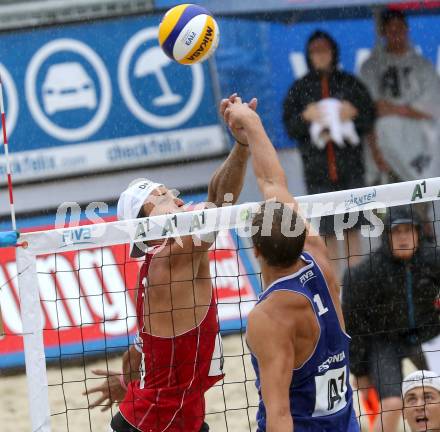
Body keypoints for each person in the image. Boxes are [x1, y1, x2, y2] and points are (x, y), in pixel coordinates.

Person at [84, 94, 256, 432]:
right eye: (162, 196)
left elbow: (137, 352)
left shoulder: (160, 261)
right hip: (158, 425)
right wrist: (245, 143)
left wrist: (126, 379)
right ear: (144, 221)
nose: (177, 198)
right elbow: (221, 202)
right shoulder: (173, 258)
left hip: (167, 417)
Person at [224, 98, 359, 431]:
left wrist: (244, 125)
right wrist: (251, 123)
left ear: (254, 250)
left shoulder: (269, 317)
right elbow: (274, 184)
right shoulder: (319, 258)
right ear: (301, 235)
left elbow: (279, 414)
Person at [283, 30, 376, 275]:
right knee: (328, 231)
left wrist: (353, 114)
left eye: (325, 49)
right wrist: (305, 117)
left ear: (333, 52)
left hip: (351, 169)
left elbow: (369, 118)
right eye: (315, 51)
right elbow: (290, 127)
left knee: (353, 229)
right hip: (318, 172)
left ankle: (356, 285)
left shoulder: (350, 83)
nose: (321, 55)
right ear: (308, 55)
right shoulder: (299, 89)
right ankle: (335, 289)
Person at [342, 206, 440, 432]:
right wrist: (360, 370)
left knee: (435, 398)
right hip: (385, 341)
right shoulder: (364, 273)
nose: (403, 237)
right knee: (393, 404)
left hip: (428, 333)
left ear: (418, 233)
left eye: (409, 230)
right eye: (397, 232)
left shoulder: (433, 259)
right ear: (387, 236)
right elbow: (354, 325)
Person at [360, 9, 440, 184]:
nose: (396, 34)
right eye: (390, 29)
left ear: (407, 30)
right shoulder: (370, 67)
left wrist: (394, 109)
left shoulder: (423, 67)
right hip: (383, 153)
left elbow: (433, 107)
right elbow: (367, 112)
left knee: (421, 200)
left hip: (420, 149)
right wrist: (376, 152)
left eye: (399, 28)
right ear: (383, 32)